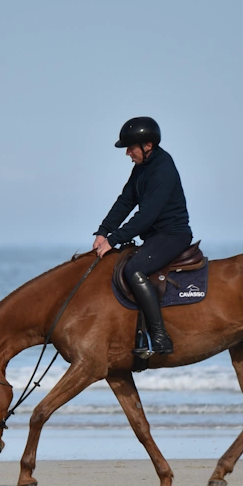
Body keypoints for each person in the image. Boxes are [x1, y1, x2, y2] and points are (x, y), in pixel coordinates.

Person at [92, 116, 193, 357]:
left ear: (148, 146)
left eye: (130, 147)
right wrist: (103, 231)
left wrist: (113, 240)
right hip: (155, 236)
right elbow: (126, 200)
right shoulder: (142, 168)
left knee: (133, 270)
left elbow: (146, 217)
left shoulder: (163, 169)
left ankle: (160, 336)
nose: (127, 153)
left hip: (172, 235)